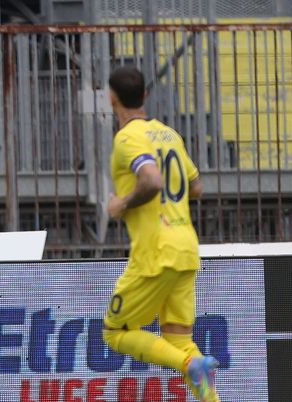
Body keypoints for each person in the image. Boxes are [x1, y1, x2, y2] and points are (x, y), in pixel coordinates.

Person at [103, 66, 220, 402]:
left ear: (112, 98)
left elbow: (152, 180)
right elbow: (196, 187)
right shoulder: (170, 134)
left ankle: (191, 364)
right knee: (179, 339)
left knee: (115, 332)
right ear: (145, 96)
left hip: (156, 251)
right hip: (186, 247)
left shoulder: (127, 138)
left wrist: (122, 203)